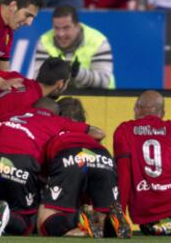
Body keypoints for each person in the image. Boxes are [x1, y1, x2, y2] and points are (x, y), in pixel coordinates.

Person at [0, 97, 102, 237]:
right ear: (56, 113)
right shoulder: (57, 121)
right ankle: (7, 219)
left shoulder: (8, 115)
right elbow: (99, 133)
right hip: (22, 162)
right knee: (26, 221)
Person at [38, 97, 132, 239]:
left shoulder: (53, 129)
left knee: (44, 222)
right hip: (103, 157)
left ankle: (78, 219)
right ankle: (110, 221)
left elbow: (44, 174)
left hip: (69, 154)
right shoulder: (89, 134)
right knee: (102, 217)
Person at [114, 90, 171, 236]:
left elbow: (124, 176)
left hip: (149, 226)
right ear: (162, 112)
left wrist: (120, 216)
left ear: (136, 109)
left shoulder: (123, 131)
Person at [31, 5, 115, 89]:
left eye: (66, 28)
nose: (61, 34)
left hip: (100, 99)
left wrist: (77, 73)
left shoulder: (98, 41)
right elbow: (39, 80)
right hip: (59, 98)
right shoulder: (44, 41)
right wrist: (63, 73)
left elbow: (104, 81)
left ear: (77, 26)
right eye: (56, 28)